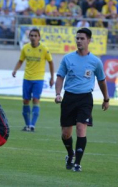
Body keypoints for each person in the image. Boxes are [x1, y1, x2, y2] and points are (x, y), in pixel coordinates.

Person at [55, 28, 109, 172]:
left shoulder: (95, 61)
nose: (78, 41)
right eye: (77, 38)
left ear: (89, 40)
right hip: (69, 97)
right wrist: (58, 93)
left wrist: (106, 98)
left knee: (81, 128)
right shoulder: (67, 58)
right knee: (66, 133)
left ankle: (78, 163)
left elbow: (102, 81)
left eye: (82, 38)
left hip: (85, 98)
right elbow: (60, 76)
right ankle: (70, 154)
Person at [12, 28, 54, 132]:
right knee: (26, 101)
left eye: (35, 36)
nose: (33, 37)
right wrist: (15, 70)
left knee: (36, 100)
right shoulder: (25, 48)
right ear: (29, 37)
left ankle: (32, 125)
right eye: (32, 35)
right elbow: (21, 60)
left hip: (38, 79)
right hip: (27, 78)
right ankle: (27, 125)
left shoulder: (44, 49)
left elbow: (51, 62)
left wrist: (52, 77)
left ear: (39, 37)